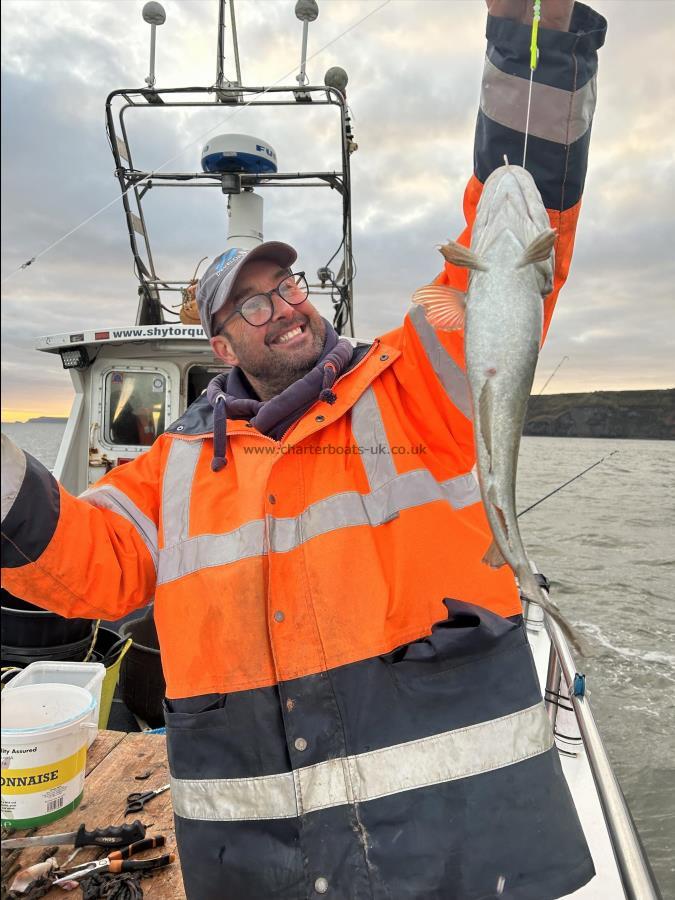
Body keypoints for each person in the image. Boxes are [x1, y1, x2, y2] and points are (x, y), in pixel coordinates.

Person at [1, 1, 606, 897]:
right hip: (264, 869)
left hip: (471, 857)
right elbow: (87, 567)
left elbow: (517, 242)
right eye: (252, 303)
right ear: (220, 346)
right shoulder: (166, 473)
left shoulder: (416, 380)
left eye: (286, 284)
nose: (283, 305)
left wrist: (538, 43)